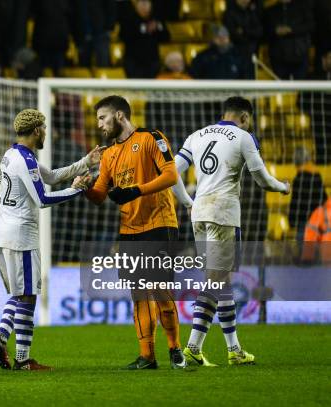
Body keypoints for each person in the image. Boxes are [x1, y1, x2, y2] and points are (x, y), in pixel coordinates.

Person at [172, 96, 290, 366]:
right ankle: (191, 347)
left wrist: (187, 201)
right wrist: (283, 187)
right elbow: (261, 179)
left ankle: (234, 350)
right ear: (245, 117)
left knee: (219, 282)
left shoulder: (196, 135)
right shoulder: (243, 136)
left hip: (198, 213)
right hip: (223, 213)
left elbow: (171, 172)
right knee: (215, 281)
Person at [0, 108, 99, 371]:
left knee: (21, 293)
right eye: (45, 128)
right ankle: (10, 346)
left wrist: (86, 162)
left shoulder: (12, 154)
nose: (46, 133)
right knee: (27, 295)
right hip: (20, 236)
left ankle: (6, 344)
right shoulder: (25, 160)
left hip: (2, 233)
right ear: (37, 130)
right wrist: (76, 190)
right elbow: (43, 199)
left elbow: (50, 176)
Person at [84, 95, 186, 370]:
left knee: (160, 289)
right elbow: (99, 195)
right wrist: (84, 188)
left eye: (102, 118)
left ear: (119, 115)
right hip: (129, 229)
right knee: (138, 292)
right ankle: (147, 356)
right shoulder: (109, 155)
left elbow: (171, 176)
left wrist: (135, 190)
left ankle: (175, 348)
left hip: (159, 223)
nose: (99, 125)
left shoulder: (152, 138)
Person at [118, 0, 169, 78]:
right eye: (142, 4)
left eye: (146, 4)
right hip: (134, 61)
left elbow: (166, 38)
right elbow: (123, 35)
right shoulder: (129, 18)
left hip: (152, 61)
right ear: (136, 6)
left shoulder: (156, 19)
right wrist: (144, 29)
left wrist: (158, 27)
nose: (144, 7)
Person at [289, 147, 327, 242]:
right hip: (318, 223)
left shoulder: (298, 180)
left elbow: (295, 203)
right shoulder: (317, 176)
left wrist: (291, 220)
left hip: (304, 225)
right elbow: (324, 199)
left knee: (305, 253)